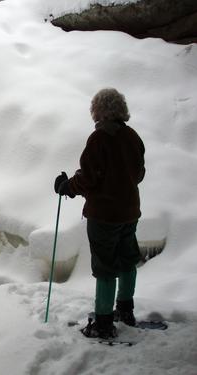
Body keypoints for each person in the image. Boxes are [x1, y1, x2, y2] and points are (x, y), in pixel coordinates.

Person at [54, 88, 145, 339]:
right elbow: (139, 174)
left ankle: (103, 322)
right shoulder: (132, 136)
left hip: (104, 214)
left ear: (99, 110)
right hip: (129, 211)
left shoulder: (99, 139)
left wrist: (67, 187)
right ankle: (125, 310)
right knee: (127, 259)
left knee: (105, 266)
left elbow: (89, 177)